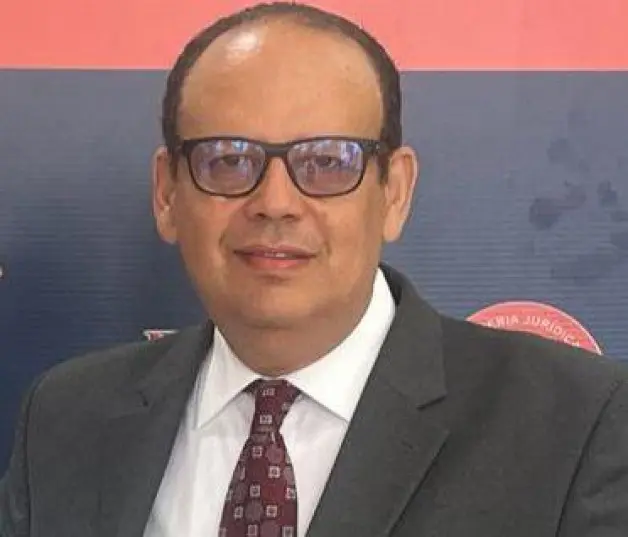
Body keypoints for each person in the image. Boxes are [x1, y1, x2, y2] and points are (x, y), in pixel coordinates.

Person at [2, 2, 628, 536]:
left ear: (394, 193)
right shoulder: (65, 418)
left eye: (327, 162)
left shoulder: (575, 424)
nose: (275, 202)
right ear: (167, 194)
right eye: (228, 160)